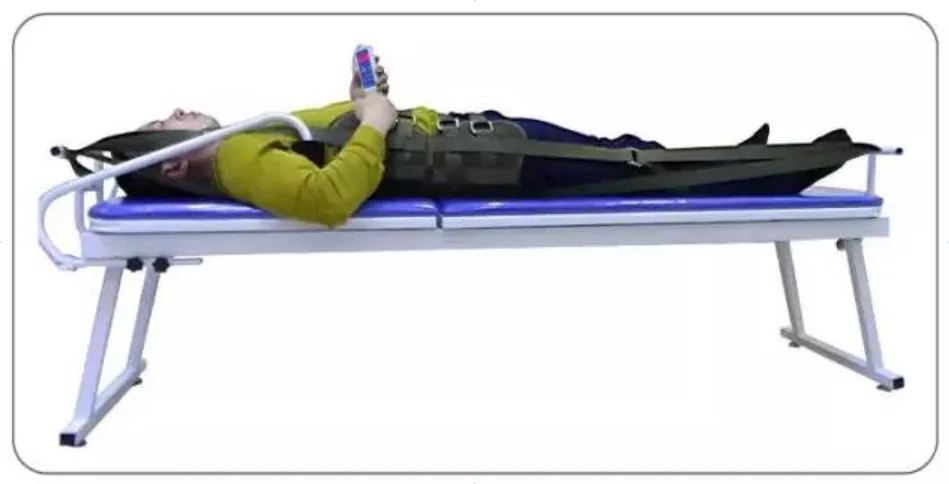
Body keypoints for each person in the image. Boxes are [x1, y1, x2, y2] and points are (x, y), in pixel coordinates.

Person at [124, 53, 842, 228]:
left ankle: (740, 161)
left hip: (480, 143)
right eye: (165, 124)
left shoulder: (244, 145)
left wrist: (361, 101)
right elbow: (328, 198)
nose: (178, 110)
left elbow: (326, 150)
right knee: (633, 168)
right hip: (490, 161)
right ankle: (775, 174)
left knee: (626, 154)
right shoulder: (238, 157)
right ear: (175, 165)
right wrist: (375, 121)